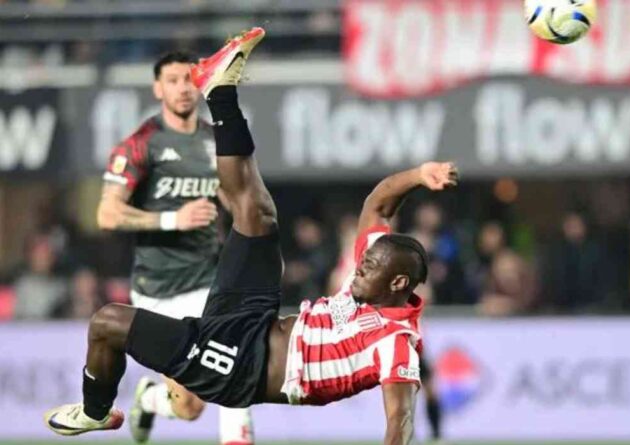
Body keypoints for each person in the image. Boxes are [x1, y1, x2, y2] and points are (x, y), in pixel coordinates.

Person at [44, 27, 459, 445]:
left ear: (399, 283)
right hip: (256, 314)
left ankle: (95, 412)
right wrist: (419, 175)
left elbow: (400, 421)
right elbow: (379, 205)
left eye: (369, 267)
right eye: (364, 261)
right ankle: (220, 93)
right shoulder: (374, 278)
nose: (358, 268)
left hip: (242, 367)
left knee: (106, 322)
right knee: (258, 214)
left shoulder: (397, 341)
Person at [95, 50, 254, 445]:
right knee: (190, 407)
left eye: (189, 79)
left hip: (209, 281)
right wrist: (171, 219)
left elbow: (238, 199)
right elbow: (107, 214)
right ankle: (150, 399)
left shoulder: (213, 140)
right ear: (157, 88)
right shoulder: (139, 145)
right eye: (173, 80)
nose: (183, 88)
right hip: (157, 291)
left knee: (234, 371)